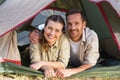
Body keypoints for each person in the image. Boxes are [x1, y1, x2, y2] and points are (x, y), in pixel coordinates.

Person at [29, 9, 100, 78]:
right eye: (69, 24)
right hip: (68, 64)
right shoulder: (63, 32)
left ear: (84, 24)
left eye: (76, 23)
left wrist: (70, 71)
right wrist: (32, 33)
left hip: (84, 67)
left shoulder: (91, 36)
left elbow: (90, 63)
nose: (73, 27)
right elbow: (50, 29)